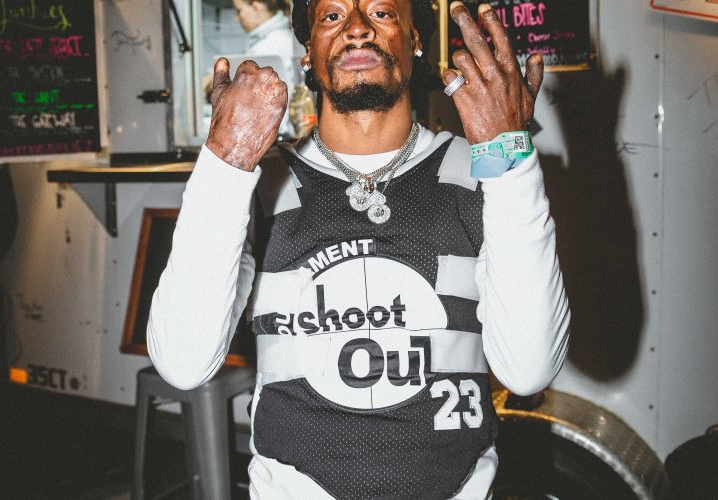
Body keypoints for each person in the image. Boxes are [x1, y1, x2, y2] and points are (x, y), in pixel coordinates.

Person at [148, 0, 570, 497]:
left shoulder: (485, 167)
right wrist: (224, 160)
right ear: (308, 52)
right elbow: (183, 362)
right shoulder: (259, 183)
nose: (356, 28)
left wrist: (509, 156)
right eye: (332, 16)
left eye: (382, 12)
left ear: (415, 40)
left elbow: (529, 370)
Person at [232, 0, 301, 136]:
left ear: (256, 5)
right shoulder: (273, 40)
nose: (236, 18)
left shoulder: (270, 45)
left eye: (239, 11)